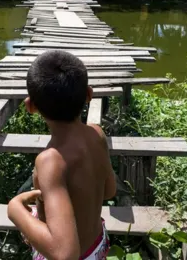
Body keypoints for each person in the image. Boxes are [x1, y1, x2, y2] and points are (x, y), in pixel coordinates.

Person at [7, 50, 117, 260]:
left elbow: (64, 254)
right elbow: (109, 191)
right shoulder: (97, 133)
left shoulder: (50, 161)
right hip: (97, 246)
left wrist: (15, 210)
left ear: (30, 106)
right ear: (89, 95)